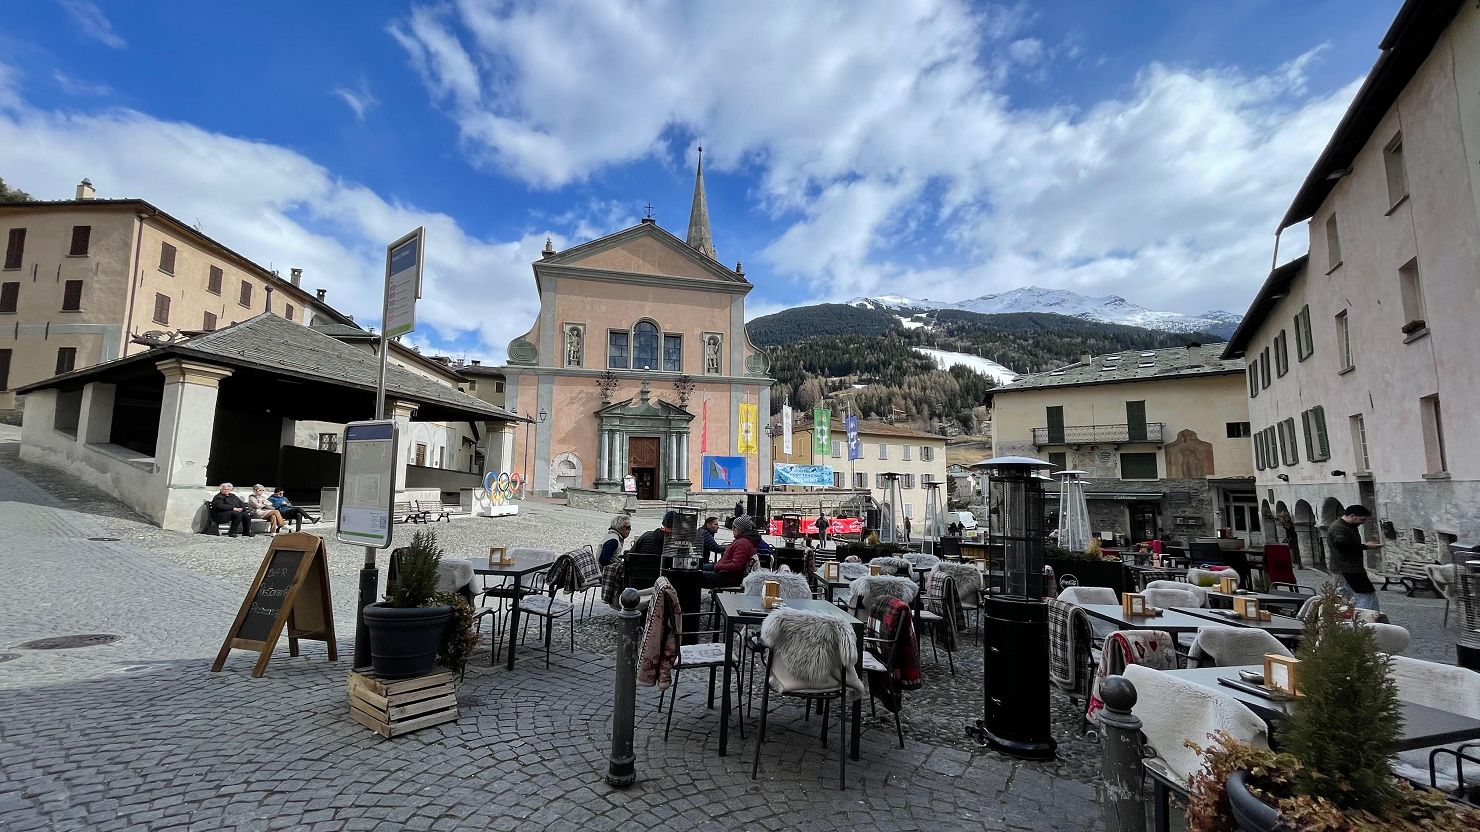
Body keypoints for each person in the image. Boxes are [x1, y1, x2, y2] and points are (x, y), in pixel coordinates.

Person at [1326, 504, 1383, 611]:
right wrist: (1366, 546)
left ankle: (1360, 615)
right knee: (1364, 596)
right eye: (1362, 519)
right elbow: (1343, 547)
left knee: (1356, 596)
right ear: (1352, 516)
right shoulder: (1339, 528)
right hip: (1347, 569)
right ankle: (1365, 616)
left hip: (1350, 568)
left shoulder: (1348, 526)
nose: (1363, 522)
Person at [703, 515, 758, 588]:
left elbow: (736, 566)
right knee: (697, 570)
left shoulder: (742, 543)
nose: (732, 530)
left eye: (734, 527)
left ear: (740, 529)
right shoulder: (742, 541)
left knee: (693, 575)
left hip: (728, 578)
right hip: (726, 574)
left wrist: (718, 566)